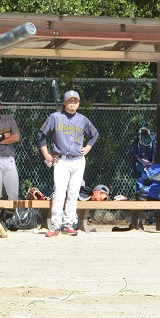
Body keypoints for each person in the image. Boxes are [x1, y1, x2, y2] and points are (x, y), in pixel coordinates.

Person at [37, 90, 99, 237]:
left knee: (73, 193)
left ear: (78, 103)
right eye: (70, 101)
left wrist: (88, 147)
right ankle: (55, 225)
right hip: (61, 160)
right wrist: (46, 154)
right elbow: (41, 135)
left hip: (78, 160)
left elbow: (95, 134)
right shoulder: (55, 117)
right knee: (59, 192)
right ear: (64, 102)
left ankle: (68, 224)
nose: (72, 104)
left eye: (75, 101)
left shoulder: (83, 119)